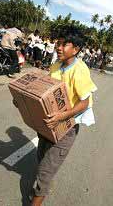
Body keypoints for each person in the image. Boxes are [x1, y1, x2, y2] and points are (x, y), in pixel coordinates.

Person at [28, 35, 97, 206]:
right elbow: (46, 89)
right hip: (49, 124)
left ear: (76, 49)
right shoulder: (56, 65)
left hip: (66, 127)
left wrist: (62, 116)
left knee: (45, 171)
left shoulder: (79, 70)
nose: (58, 47)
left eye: (64, 45)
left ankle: (39, 195)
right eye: (58, 44)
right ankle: (43, 186)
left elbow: (85, 102)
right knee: (42, 159)